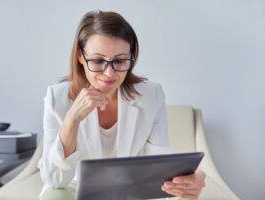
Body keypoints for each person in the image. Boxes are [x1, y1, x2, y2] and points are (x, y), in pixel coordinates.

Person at [38, 10, 206, 200]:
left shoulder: (151, 95)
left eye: (119, 61)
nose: (109, 73)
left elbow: (158, 162)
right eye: (98, 60)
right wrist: (72, 120)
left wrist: (186, 181)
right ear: (80, 56)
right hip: (74, 190)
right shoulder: (57, 97)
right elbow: (54, 179)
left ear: (131, 57)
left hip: (130, 192)